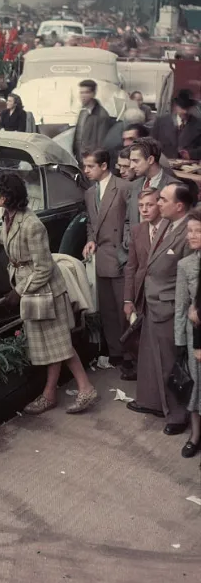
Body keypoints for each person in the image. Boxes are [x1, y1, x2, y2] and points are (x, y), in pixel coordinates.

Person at [0, 172, 98, 414]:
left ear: (7, 196)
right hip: (36, 291)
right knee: (55, 346)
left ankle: (85, 389)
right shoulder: (11, 217)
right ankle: (51, 394)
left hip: (47, 292)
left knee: (60, 345)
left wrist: (18, 292)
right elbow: (5, 237)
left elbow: (44, 267)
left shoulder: (32, 224)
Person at [127, 182, 194, 433]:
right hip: (153, 301)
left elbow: (189, 277)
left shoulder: (188, 231)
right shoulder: (167, 223)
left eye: (163, 200)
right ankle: (154, 402)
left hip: (170, 306)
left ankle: (178, 416)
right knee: (152, 357)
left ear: (179, 206)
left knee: (170, 363)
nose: (158, 204)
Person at [82, 149, 130, 374]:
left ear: (104, 166)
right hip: (101, 256)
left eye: (90, 166)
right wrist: (91, 240)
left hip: (121, 257)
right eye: (85, 166)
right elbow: (92, 224)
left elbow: (132, 222)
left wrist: (126, 250)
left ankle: (130, 354)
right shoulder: (89, 193)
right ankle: (116, 353)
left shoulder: (123, 188)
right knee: (108, 310)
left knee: (124, 309)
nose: (86, 170)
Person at [123, 187, 162, 380]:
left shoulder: (168, 229)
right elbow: (131, 266)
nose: (144, 210)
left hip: (161, 294)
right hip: (141, 292)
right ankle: (143, 373)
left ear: (160, 204)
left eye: (150, 205)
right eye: (141, 206)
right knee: (139, 334)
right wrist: (128, 299)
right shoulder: (137, 230)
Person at [174, 209, 201, 457]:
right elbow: (181, 307)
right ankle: (195, 435)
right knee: (195, 387)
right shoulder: (186, 265)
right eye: (189, 230)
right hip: (195, 341)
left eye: (197, 231)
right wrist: (180, 343)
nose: (191, 235)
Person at [126, 137, 180, 229]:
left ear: (150, 160)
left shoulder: (174, 187)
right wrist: (128, 241)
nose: (131, 166)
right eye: (131, 161)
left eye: (135, 161)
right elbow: (128, 221)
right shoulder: (134, 185)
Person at [151, 89, 201, 160]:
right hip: (164, 164)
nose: (185, 111)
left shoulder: (198, 124)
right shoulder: (161, 121)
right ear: (176, 106)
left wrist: (191, 154)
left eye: (188, 108)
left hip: (188, 167)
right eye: (182, 108)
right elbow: (151, 144)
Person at [73, 79, 110, 161]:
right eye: (81, 92)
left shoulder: (101, 115)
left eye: (86, 92)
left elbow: (101, 144)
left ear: (93, 94)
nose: (82, 96)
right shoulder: (83, 111)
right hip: (80, 158)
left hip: (91, 161)